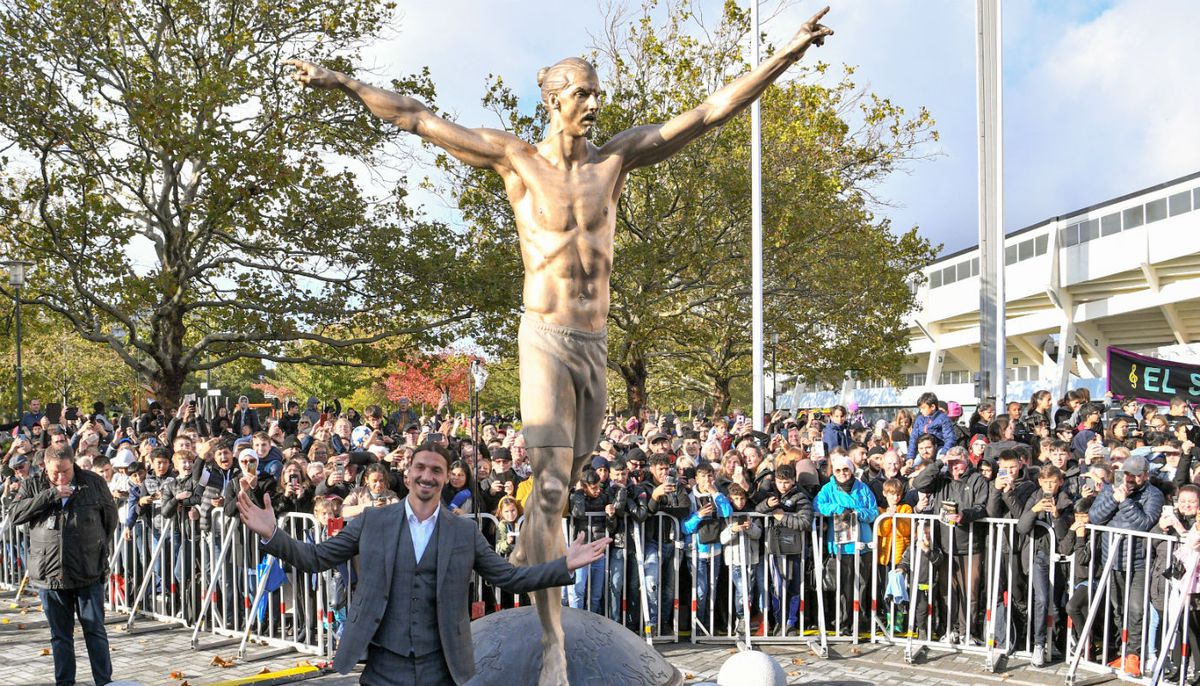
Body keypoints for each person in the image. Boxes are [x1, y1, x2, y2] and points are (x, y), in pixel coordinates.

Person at [283, 8, 834, 679]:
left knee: (566, 486)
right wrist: (340, 79)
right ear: (552, 99)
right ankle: (551, 646)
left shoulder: (617, 160)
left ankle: (528, 562)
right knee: (547, 489)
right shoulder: (516, 160)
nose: (595, 105)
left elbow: (710, 112)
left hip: (593, 344)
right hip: (543, 336)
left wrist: (787, 55)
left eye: (598, 94)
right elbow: (416, 117)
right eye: (583, 94)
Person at [236, 441, 608, 685]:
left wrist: (564, 566)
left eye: (436, 471)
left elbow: (509, 577)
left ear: (446, 478)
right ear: (408, 472)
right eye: (421, 468)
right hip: (382, 666)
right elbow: (316, 558)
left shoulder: (463, 532)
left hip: (441, 666)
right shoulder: (371, 521)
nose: (427, 476)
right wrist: (273, 535)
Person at [10, 443, 118, 686]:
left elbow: (110, 520)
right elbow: (15, 514)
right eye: (54, 472)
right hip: (50, 575)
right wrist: (50, 495)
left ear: (74, 464)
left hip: (88, 572)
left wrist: (96, 549)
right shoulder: (33, 484)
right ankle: (65, 682)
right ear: (44, 466)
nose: (60, 477)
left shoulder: (93, 482)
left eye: (66, 471)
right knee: (60, 636)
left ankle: (104, 681)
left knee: (95, 631)